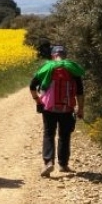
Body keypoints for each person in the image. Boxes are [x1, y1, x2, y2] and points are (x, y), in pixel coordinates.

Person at [29, 45, 85, 177]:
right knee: (64, 135)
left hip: (48, 107)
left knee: (49, 133)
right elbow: (80, 92)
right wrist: (81, 109)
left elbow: (32, 86)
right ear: (64, 55)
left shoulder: (47, 68)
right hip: (67, 107)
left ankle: (48, 162)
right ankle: (63, 164)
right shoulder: (72, 69)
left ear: (53, 55)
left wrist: (37, 100)